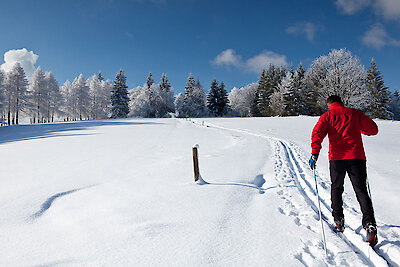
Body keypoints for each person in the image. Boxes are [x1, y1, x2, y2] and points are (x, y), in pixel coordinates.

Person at [309, 95, 379, 247]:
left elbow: (317, 134)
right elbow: (373, 129)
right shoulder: (354, 113)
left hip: (337, 159)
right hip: (357, 157)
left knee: (336, 188)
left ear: (329, 105)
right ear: (342, 102)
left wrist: (315, 153)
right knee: (361, 191)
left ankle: (338, 220)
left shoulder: (327, 116)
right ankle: (370, 224)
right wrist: (361, 129)